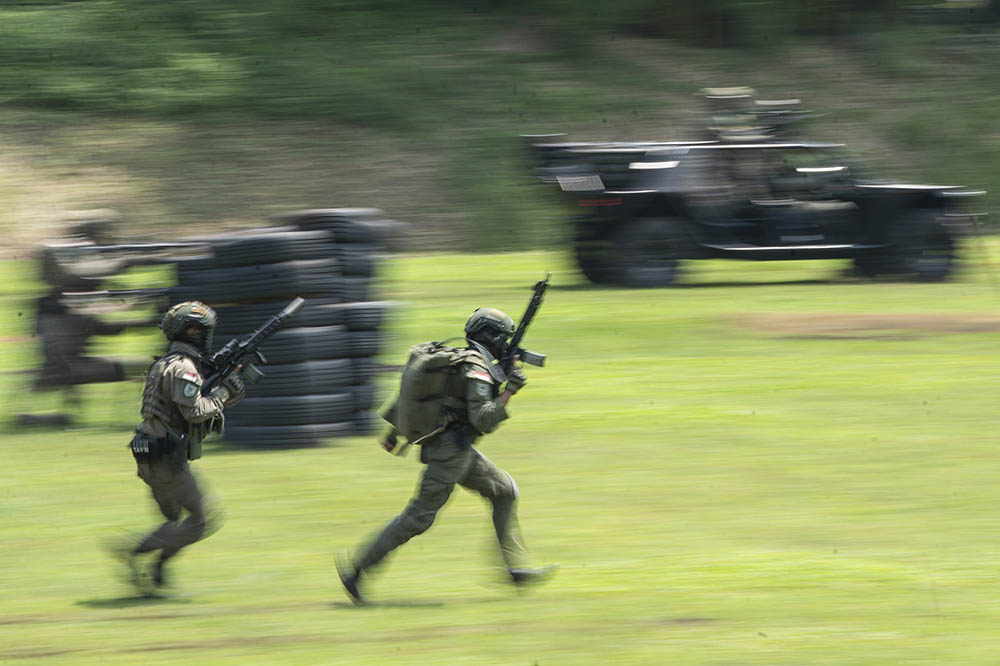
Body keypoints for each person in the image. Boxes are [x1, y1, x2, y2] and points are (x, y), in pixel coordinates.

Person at [336, 307, 556, 604]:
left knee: (504, 491)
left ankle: (513, 569)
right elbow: (483, 420)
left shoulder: (466, 360)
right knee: (418, 518)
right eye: (501, 338)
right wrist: (509, 392)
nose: (504, 344)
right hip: (450, 453)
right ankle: (356, 571)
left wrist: (395, 431)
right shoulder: (475, 368)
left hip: (458, 450)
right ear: (488, 337)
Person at [108, 301, 244, 594]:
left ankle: (157, 571)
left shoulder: (166, 363)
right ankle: (133, 553)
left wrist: (226, 389)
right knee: (200, 521)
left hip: (151, 454)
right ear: (193, 331)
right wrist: (222, 392)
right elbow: (195, 412)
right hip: (164, 458)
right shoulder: (183, 368)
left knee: (173, 522)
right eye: (204, 331)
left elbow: (196, 405)